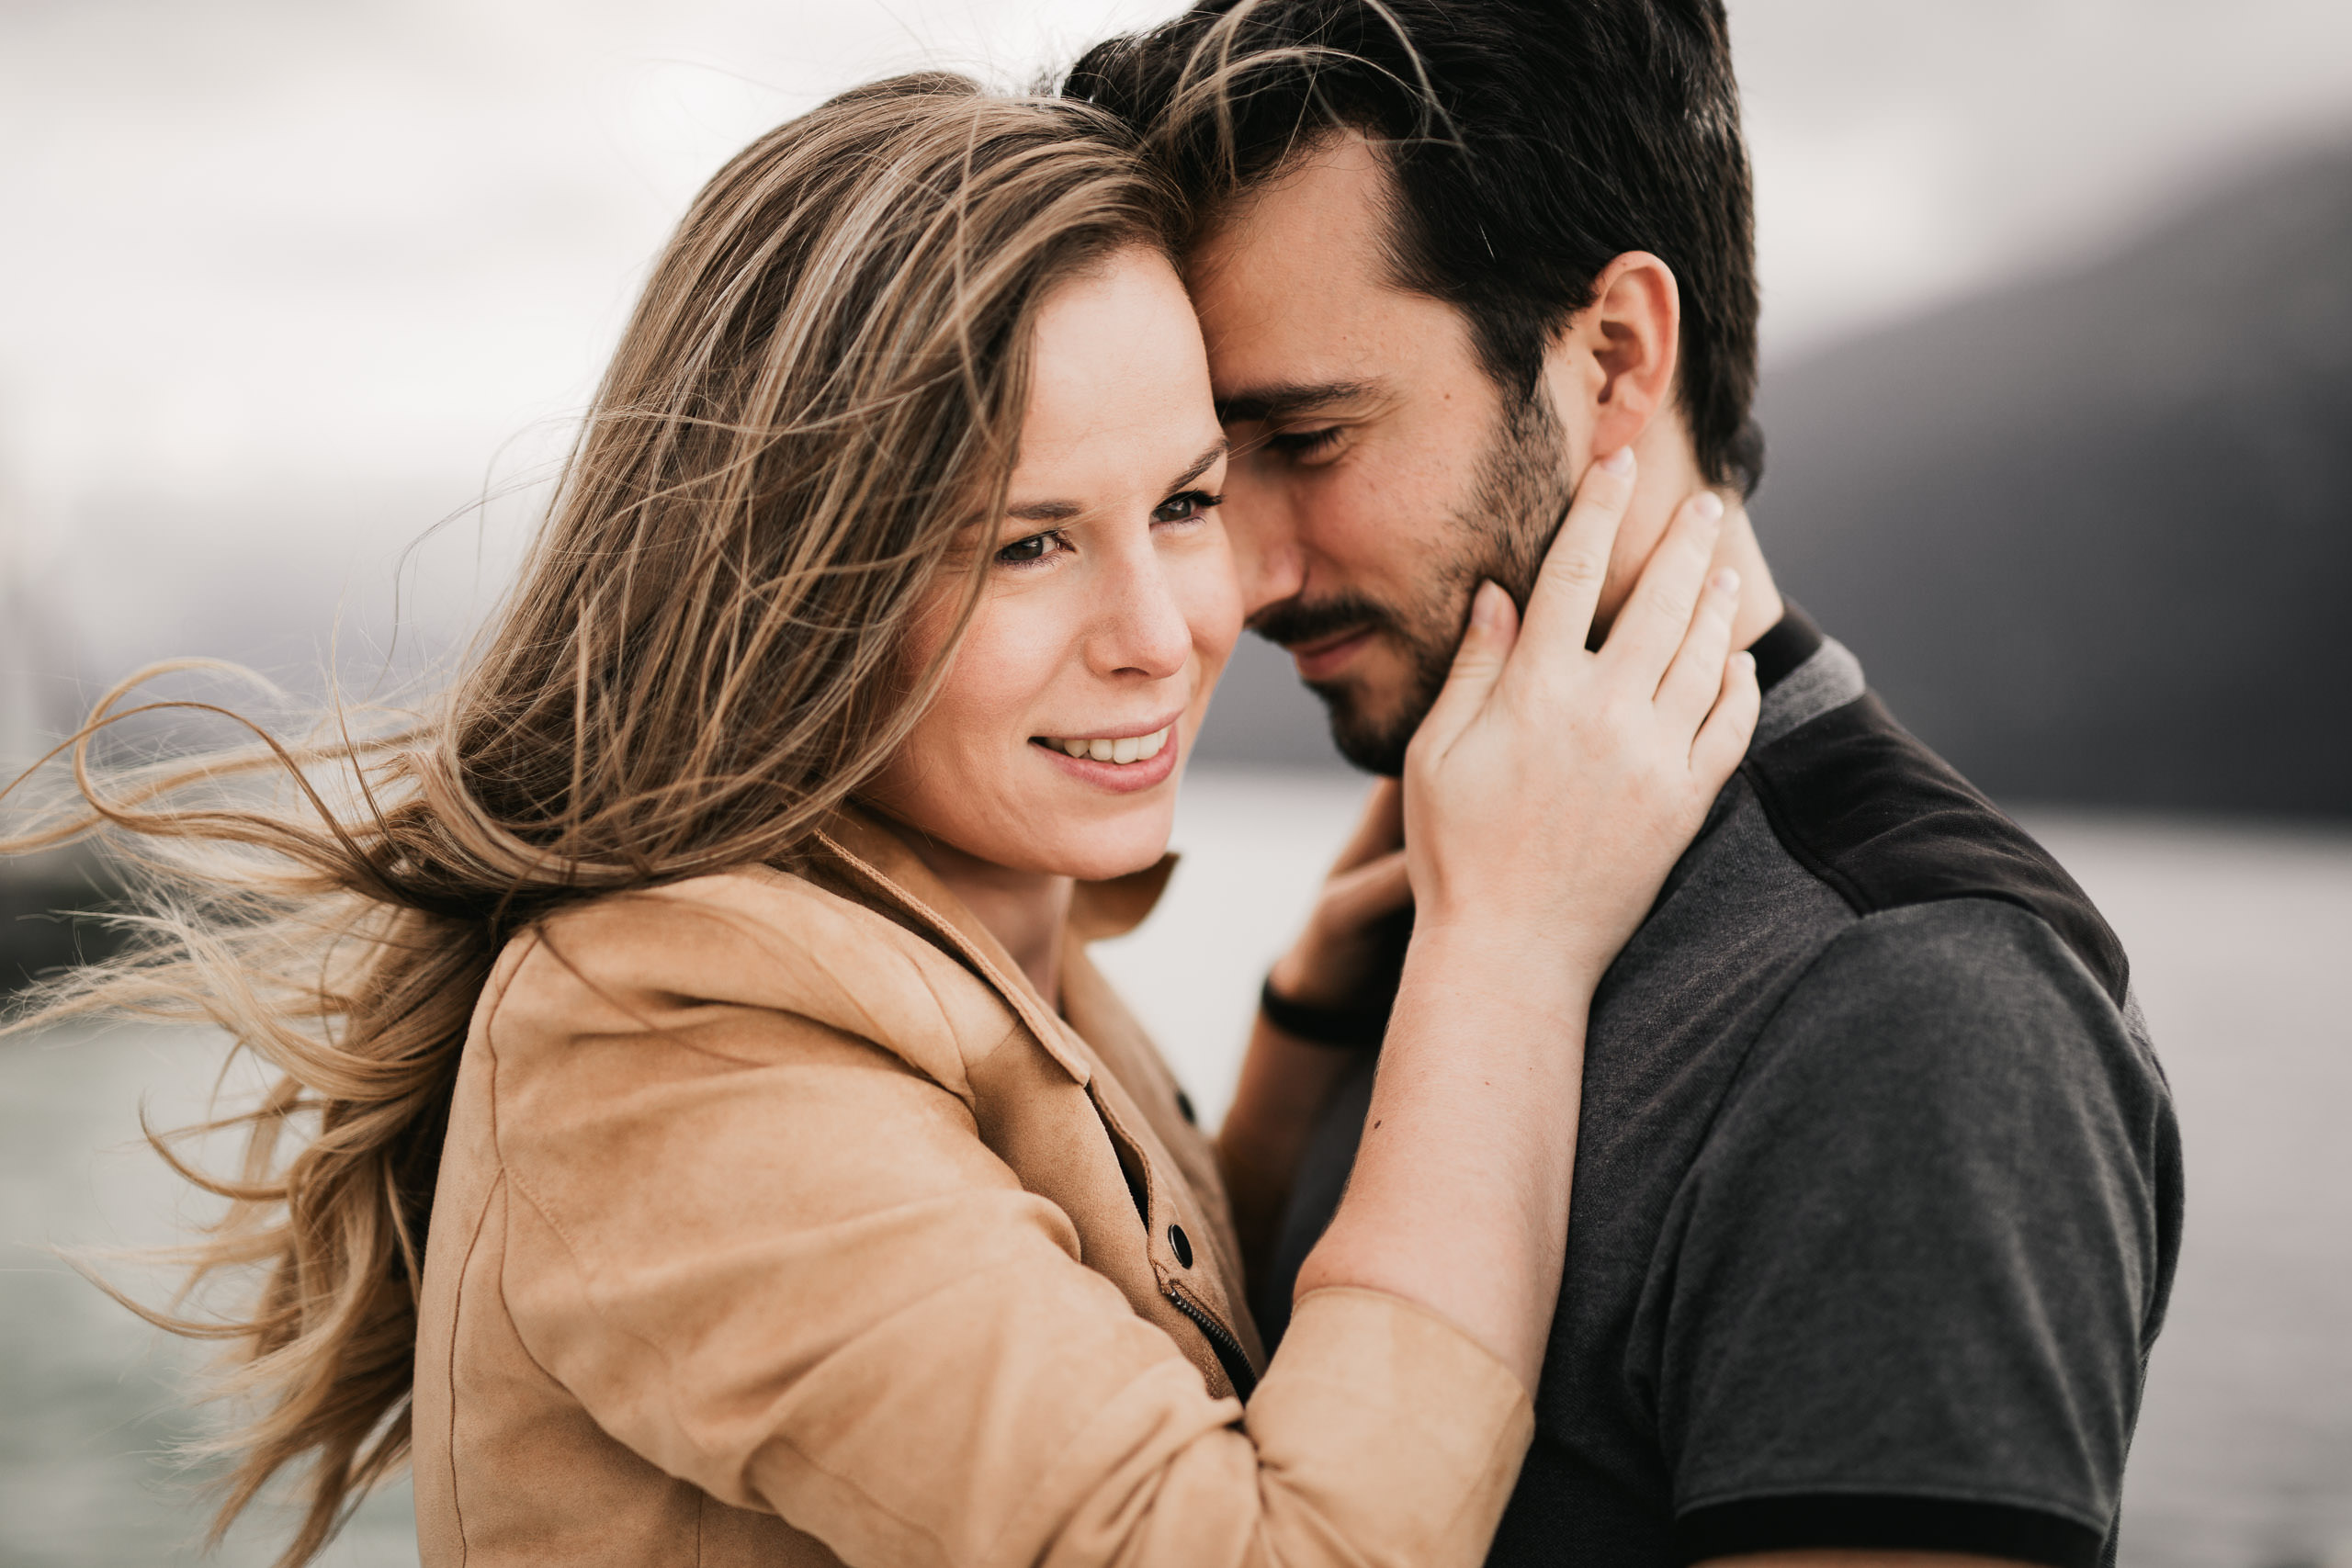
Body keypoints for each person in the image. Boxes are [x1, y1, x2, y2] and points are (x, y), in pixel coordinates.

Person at [0, 76, 1761, 1568]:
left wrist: (1304, 1035)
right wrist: (1506, 960)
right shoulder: (672, 1041)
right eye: (1026, 540)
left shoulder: (967, 911)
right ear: (796, 581)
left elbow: (1100, 1358)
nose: (1165, 629)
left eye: (1186, 500)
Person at [1067, 5, 2184, 1567]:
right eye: (1209, 470)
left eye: (1306, 438)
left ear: (1611, 359)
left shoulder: (1914, 1002)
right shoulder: (1470, 866)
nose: (1240, 575)